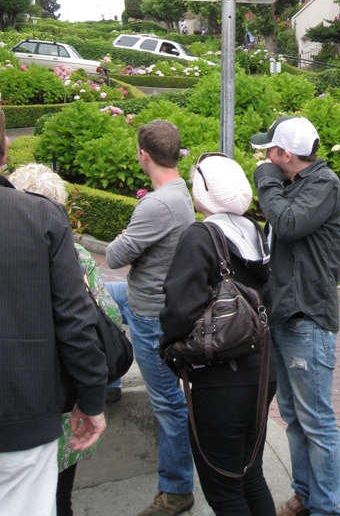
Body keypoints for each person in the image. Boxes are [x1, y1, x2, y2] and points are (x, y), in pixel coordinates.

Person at [0, 109, 107, 515]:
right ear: (5, 149)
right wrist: (91, 399)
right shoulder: (40, 215)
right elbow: (75, 321)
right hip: (22, 419)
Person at [160, 152, 278, 516]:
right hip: (262, 371)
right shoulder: (254, 231)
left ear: (203, 192)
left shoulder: (201, 236)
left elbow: (179, 312)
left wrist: (170, 350)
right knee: (250, 475)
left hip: (220, 380)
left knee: (224, 489)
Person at [250, 116, 340, 516]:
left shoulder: (324, 184)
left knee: (316, 420)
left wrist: (265, 179)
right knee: (293, 416)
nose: (265, 158)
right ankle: (306, 495)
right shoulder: (295, 184)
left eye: (269, 151)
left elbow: (287, 224)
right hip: (285, 316)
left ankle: (326, 508)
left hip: (308, 319)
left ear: (286, 154)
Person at [105, 119, 195, 516]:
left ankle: (176, 489)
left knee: (168, 402)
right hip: (147, 299)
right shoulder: (178, 191)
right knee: (95, 298)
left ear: (144, 154)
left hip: (149, 314)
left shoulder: (156, 205)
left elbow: (114, 256)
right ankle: (108, 380)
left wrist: (124, 241)